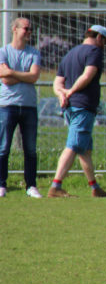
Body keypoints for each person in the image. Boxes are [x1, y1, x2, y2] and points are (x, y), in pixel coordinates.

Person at [49, 24, 106, 198]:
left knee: (85, 150)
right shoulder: (94, 51)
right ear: (98, 37)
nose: (104, 45)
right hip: (83, 106)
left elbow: (57, 82)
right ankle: (55, 186)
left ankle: (95, 187)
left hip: (70, 106)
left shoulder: (70, 53)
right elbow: (87, 75)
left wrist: (61, 94)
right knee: (73, 146)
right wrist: (71, 92)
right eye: (105, 41)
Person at [0, 17, 41, 198]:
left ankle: (31, 186)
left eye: (30, 29)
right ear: (14, 29)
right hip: (7, 106)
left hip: (29, 106)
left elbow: (34, 77)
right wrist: (23, 75)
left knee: (30, 149)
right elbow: (4, 78)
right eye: (26, 28)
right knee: (3, 147)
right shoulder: (3, 52)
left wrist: (12, 72)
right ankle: (1, 185)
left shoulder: (34, 53)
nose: (29, 32)